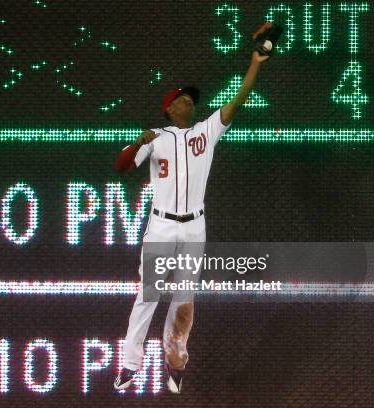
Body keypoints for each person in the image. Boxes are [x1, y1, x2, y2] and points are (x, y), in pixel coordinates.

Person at [113, 24, 272, 394]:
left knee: (184, 301)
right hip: (162, 226)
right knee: (148, 295)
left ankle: (175, 359)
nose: (188, 101)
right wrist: (140, 139)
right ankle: (129, 363)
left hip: (194, 227)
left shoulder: (206, 131)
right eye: (181, 99)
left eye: (191, 99)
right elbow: (121, 167)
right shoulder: (157, 136)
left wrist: (255, 63)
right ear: (169, 108)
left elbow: (239, 99)